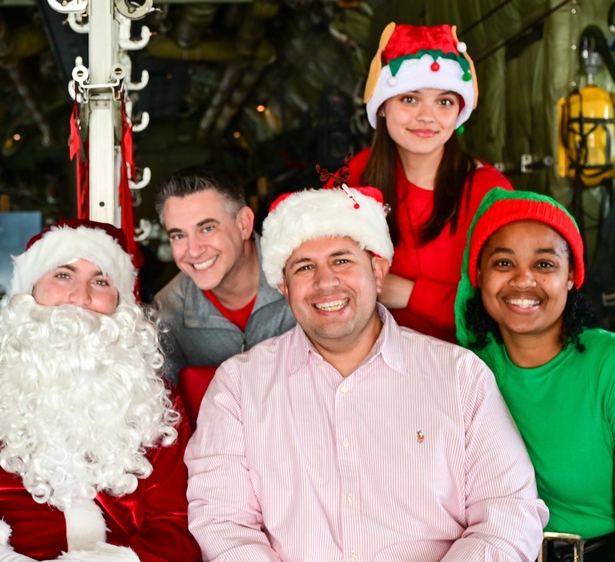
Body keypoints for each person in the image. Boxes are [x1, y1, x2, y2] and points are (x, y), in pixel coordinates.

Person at [185, 187, 548, 561]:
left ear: (377, 271)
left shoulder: (459, 376)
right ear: (284, 287)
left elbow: (509, 512)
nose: (326, 282)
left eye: (342, 260)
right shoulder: (238, 386)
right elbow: (222, 521)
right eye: (304, 267)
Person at [0, 219, 201, 562]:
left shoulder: (152, 400)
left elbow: (178, 525)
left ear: (119, 303)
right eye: (63, 275)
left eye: (100, 281)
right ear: (30, 289)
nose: (80, 297)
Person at [455, 188, 615, 562]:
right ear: (478, 274)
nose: (523, 280)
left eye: (544, 264)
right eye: (504, 263)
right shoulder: (471, 370)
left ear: (572, 276)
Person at [320, 22, 512, 342]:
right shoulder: (356, 174)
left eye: (444, 102)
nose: (427, 116)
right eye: (410, 99)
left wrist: (410, 293)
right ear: (382, 106)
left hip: (463, 361)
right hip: (370, 357)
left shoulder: (489, 192)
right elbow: (318, 267)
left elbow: (509, 305)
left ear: (459, 112)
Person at [153, 165, 295, 384]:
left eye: (207, 228)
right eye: (179, 236)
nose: (193, 251)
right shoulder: (168, 311)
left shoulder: (302, 279)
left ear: (244, 224)